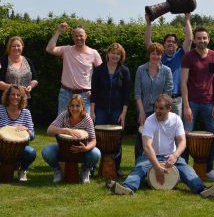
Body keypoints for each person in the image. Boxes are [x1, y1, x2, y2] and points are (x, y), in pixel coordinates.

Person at [109, 94, 214, 198]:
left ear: (169, 108)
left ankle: (203, 190)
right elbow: (147, 146)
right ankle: (127, 188)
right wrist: (157, 167)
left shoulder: (176, 119)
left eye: (161, 108)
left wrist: (175, 155)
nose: (157, 111)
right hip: (150, 156)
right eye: (156, 107)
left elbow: (182, 141)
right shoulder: (150, 121)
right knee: (139, 169)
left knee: (187, 170)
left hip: (170, 155)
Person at [181, 26, 214, 181]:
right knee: (184, 136)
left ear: (208, 39)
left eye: (204, 38)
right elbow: (183, 82)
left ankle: (209, 169)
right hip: (191, 102)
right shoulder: (188, 56)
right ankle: (183, 170)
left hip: (209, 102)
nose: (201, 40)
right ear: (195, 40)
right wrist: (186, 106)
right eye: (198, 38)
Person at [90, 42, 131, 175]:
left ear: (121, 56)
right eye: (113, 53)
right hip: (100, 110)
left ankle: (116, 168)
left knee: (117, 140)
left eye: (118, 54)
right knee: (97, 139)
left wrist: (123, 113)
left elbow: (126, 94)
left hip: (117, 111)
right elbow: (94, 92)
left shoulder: (124, 71)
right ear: (108, 54)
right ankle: (93, 167)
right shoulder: (98, 70)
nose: (115, 56)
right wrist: (92, 111)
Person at [41, 94, 101, 183]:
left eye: (77, 106)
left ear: (82, 107)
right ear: (68, 107)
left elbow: (93, 140)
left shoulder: (87, 118)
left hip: (82, 151)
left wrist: (86, 148)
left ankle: (85, 171)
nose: (74, 108)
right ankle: (58, 171)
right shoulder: (64, 115)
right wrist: (65, 130)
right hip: (64, 149)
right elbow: (49, 130)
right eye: (72, 105)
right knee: (47, 151)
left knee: (96, 153)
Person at [46, 22, 102, 114]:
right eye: (75, 36)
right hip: (65, 94)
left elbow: (102, 74)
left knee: (84, 125)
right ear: (72, 38)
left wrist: (95, 91)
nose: (78, 38)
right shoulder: (66, 50)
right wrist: (58, 31)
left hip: (84, 95)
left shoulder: (94, 53)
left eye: (80, 35)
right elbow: (49, 49)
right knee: (63, 124)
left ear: (86, 36)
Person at [144, 13, 193, 117]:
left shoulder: (181, 54)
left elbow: (189, 39)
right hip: (159, 100)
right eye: (168, 41)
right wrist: (149, 23)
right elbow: (148, 42)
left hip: (176, 100)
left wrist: (187, 19)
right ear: (164, 44)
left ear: (177, 45)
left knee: (175, 128)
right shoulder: (159, 55)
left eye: (173, 42)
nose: (171, 43)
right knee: (158, 128)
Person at [134, 42, 173, 159]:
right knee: (141, 140)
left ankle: (157, 164)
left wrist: (161, 109)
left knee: (158, 140)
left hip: (160, 111)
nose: (155, 56)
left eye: (158, 54)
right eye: (153, 54)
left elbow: (168, 94)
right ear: (149, 54)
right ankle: (139, 164)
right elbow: (137, 93)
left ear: (162, 55)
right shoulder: (140, 70)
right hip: (143, 109)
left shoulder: (167, 71)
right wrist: (141, 112)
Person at [0, 85, 36, 181]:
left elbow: (32, 136)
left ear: (21, 97)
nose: (15, 97)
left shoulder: (26, 113)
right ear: (7, 96)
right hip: (2, 147)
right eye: (13, 94)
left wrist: (26, 130)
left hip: (20, 148)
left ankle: (22, 170)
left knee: (31, 152)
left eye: (18, 95)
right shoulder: (1, 109)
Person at [0, 36, 38, 109]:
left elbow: (35, 79)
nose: (16, 48)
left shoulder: (28, 60)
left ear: (22, 47)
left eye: (18, 46)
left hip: (25, 102)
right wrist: (17, 88)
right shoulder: (2, 61)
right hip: (7, 102)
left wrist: (31, 86)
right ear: (9, 47)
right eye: (13, 46)